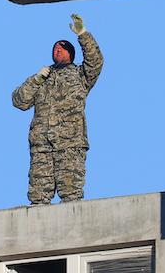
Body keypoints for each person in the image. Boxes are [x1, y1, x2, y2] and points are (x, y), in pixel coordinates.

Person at [11, 13, 104, 204]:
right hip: (42, 146)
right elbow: (19, 101)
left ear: (71, 53)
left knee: (71, 197)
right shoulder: (43, 78)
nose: (57, 52)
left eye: (61, 49)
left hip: (69, 144)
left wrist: (83, 34)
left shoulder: (80, 76)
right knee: (38, 198)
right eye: (55, 49)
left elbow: (95, 63)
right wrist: (35, 80)